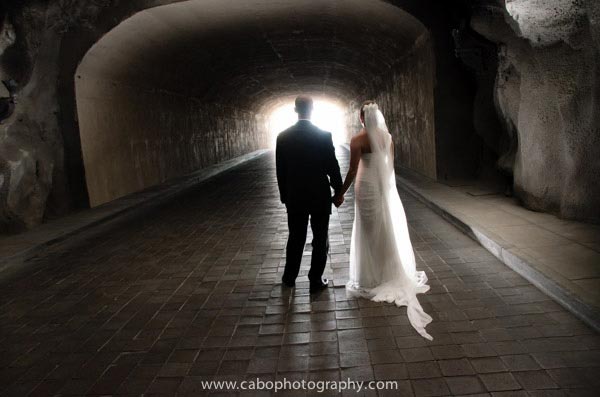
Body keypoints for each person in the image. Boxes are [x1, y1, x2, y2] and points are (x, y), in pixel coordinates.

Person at [333, 101, 433, 340]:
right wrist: (387, 189)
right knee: (384, 229)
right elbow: (389, 167)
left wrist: (340, 193)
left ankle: (372, 276)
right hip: (381, 187)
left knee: (368, 232)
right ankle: (389, 272)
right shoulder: (387, 137)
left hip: (365, 188)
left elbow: (352, 170)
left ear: (361, 118)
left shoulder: (358, 140)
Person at [276, 95, 343, 294]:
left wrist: (284, 196)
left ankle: (289, 278)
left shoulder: (283, 136)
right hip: (319, 196)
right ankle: (315, 280)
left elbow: (281, 170)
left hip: (295, 197)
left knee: (296, 237)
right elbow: (332, 166)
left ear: (295, 110)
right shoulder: (323, 135)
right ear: (312, 109)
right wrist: (338, 191)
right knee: (320, 238)